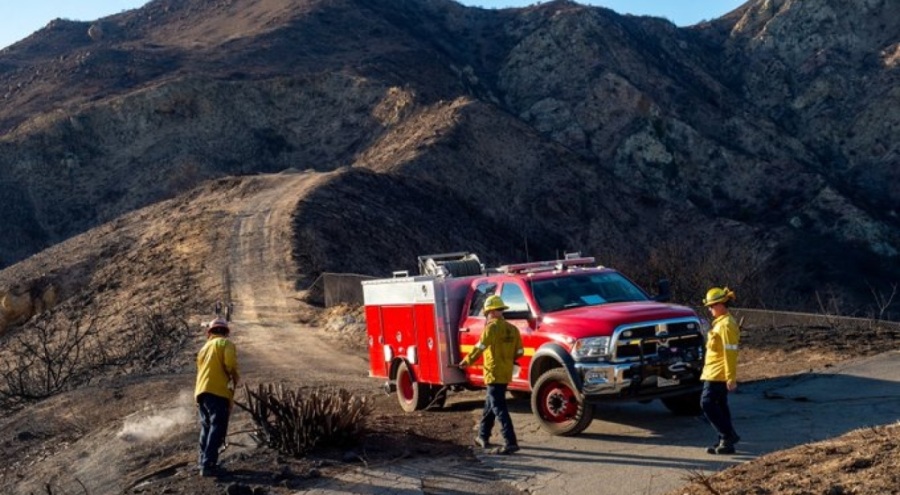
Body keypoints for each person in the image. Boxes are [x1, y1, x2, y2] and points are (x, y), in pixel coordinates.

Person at [458, 295, 524, 455]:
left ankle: (510, 441)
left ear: (493, 312)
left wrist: (466, 361)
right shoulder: (513, 329)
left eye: (487, 312)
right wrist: (507, 359)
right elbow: (520, 352)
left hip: (493, 373)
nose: (486, 316)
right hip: (505, 372)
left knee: (498, 407)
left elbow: (479, 348)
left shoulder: (491, 329)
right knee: (489, 404)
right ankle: (482, 436)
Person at [195, 317, 240, 477]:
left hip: (201, 392)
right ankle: (208, 464)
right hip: (217, 391)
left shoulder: (204, 348)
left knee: (206, 426)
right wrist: (234, 378)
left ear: (210, 332)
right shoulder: (225, 344)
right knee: (217, 425)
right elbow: (230, 364)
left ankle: (203, 462)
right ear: (225, 332)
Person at [700, 287, 741, 455]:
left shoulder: (726, 325)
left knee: (707, 403)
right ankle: (725, 442)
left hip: (718, 374)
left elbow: (730, 352)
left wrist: (731, 378)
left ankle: (727, 436)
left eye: (712, 306)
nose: (710, 309)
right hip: (713, 372)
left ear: (721, 304)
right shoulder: (721, 323)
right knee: (720, 406)